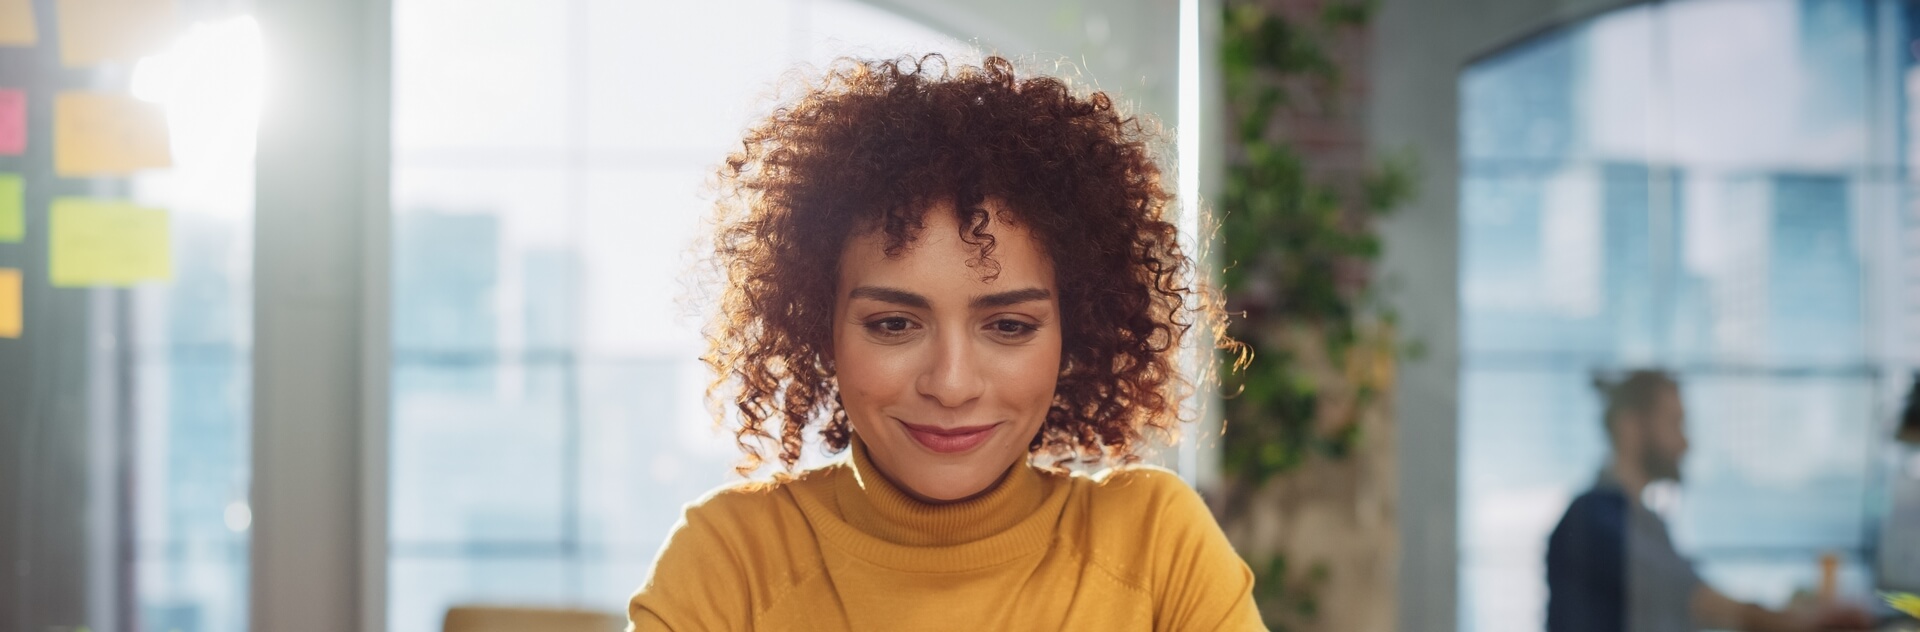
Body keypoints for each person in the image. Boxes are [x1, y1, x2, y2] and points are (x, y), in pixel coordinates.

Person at [627, 54, 1263, 630]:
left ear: (1076, 332)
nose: (953, 384)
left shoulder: (1154, 548)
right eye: (894, 325)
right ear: (820, 329)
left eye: (1009, 326)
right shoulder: (730, 561)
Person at [1545, 370, 1874, 632]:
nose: (1685, 442)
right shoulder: (1594, 519)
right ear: (1630, 427)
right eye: (1674, 423)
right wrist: (1804, 624)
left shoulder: (1641, 519)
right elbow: (1700, 602)